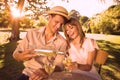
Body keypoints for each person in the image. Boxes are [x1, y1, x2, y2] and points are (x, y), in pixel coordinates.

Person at [13, 6, 68, 80]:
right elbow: (15, 54)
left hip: (48, 77)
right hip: (28, 74)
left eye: (61, 24)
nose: (58, 26)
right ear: (49, 17)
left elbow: (60, 66)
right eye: (56, 22)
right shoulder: (31, 34)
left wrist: (46, 71)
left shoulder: (62, 42)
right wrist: (21, 56)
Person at [62, 13, 102, 80]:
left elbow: (89, 67)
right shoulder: (68, 44)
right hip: (73, 76)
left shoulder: (90, 42)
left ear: (78, 27)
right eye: (67, 30)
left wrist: (77, 66)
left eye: (71, 28)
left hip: (89, 75)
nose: (69, 32)